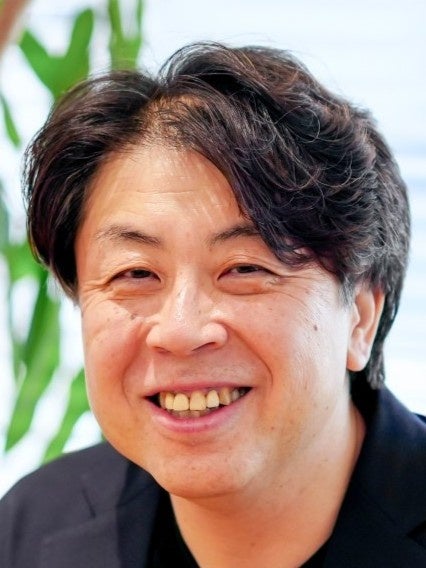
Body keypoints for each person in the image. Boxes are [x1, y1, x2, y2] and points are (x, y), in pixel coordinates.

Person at [0, 42, 425, 568]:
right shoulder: (31, 526)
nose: (180, 331)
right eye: (136, 274)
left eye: (244, 269)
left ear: (360, 315)